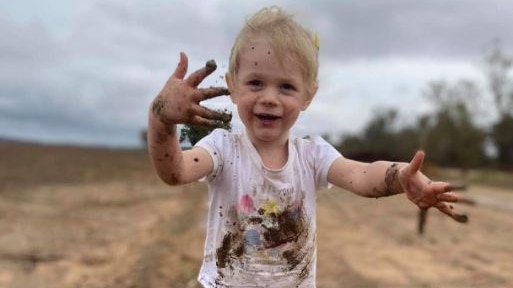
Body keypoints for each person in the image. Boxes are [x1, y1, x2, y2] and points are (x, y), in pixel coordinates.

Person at [147, 6, 466, 288]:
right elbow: (175, 171)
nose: (269, 97)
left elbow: (362, 174)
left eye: (286, 86)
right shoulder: (222, 148)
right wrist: (161, 120)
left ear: (307, 97)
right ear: (232, 86)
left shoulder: (313, 155)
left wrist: (399, 177)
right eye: (256, 82)